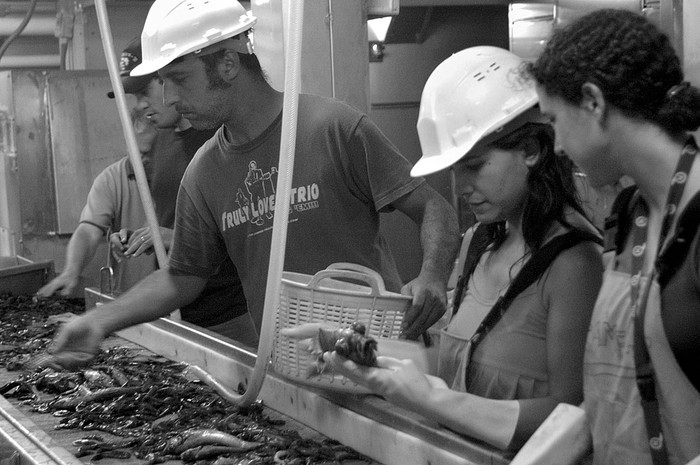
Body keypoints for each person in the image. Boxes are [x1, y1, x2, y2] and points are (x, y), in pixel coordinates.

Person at [46, 0, 459, 363]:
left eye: (180, 79)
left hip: (382, 357)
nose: (169, 98)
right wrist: (97, 321)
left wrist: (433, 275)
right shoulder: (204, 175)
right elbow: (181, 278)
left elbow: (433, 208)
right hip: (291, 366)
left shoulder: (333, 128)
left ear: (227, 63)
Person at [284, 46, 604, 451]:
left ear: (531, 150)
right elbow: (459, 364)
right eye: (455, 170)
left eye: (474, 166)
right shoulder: (480, 243)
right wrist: (354, 349)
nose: (461, 187)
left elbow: (573, 416)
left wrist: (433, 401)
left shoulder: (575, 264)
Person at [528, 8, 700, 465]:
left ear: (592, 102)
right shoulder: (628, 215)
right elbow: (615, 396)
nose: (559, 147)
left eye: (555, 122)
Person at [39, 37, 252, 344]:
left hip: (226, 317)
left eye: (144, 90)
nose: (139, 105)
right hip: (175, 313)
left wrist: (171, 237)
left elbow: (243, 232)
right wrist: (141, 234)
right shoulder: (162, 142)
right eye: (132, 95)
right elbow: (168, 220)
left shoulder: (218, 141)